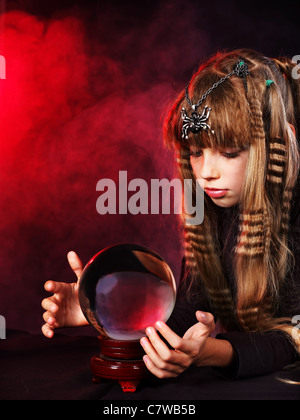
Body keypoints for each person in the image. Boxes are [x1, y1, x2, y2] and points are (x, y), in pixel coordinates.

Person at [41, 49, 300, 380]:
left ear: (280, 143)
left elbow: (292, 339)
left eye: (229, 153)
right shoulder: (212, 206)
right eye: (196, 152)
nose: (206, 172)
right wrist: (103, 313)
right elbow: (191, 311)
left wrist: (217, 353)